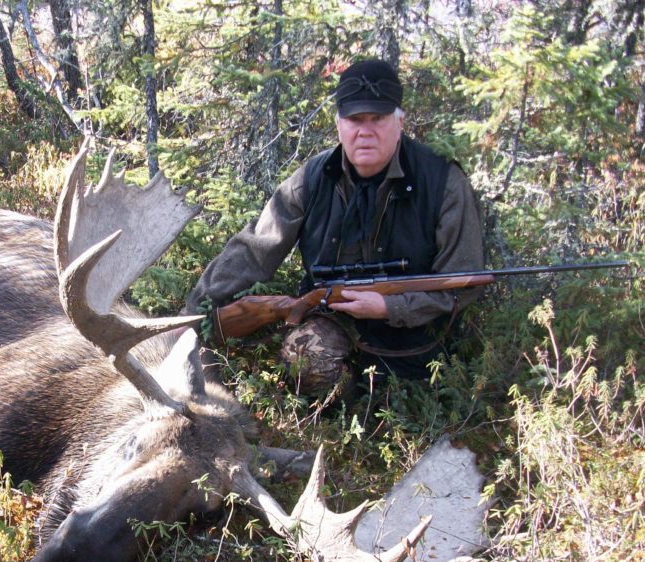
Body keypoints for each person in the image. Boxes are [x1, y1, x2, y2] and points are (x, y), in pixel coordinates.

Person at [184, 58, 484, 398]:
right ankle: (331, 418)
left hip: (416, 336)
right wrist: (191, 319)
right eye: (355, 119)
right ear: (338, 123)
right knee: (304, 355)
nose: (365, 131)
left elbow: (465, 282)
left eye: (378, 119)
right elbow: (253, 250)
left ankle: (378, 408)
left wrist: (390, 307)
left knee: (414, 389)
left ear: (400, 121)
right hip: (330, 319)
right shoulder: (312, 179)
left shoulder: (444, 183)